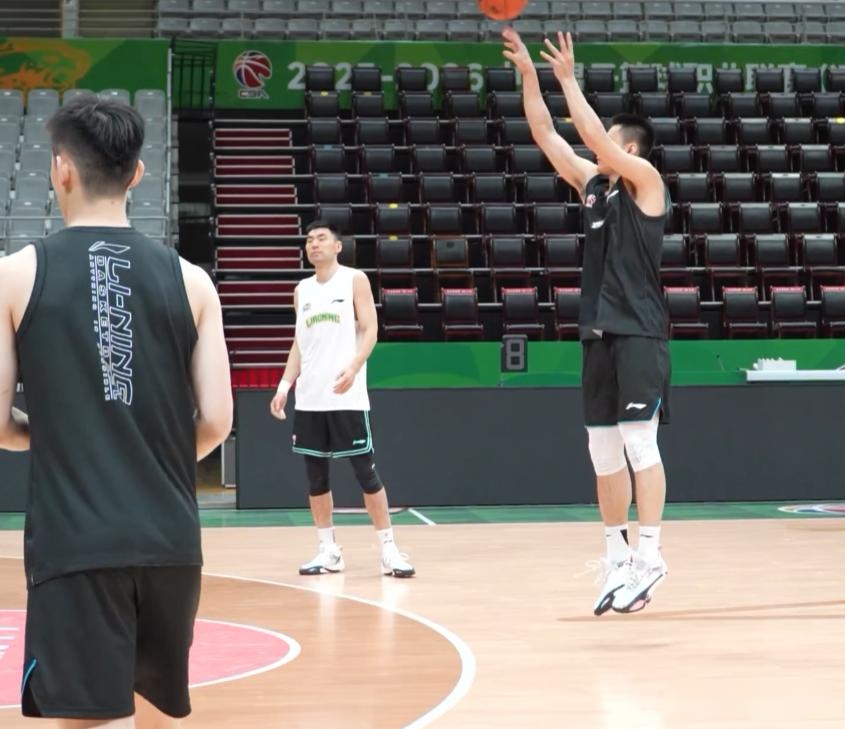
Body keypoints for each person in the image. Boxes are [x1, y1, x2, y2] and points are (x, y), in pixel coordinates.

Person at [0, 95, 233, 727]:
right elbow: (217, 420)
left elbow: (1, 424)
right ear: (136, 174)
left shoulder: (15, 276)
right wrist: (141, 455)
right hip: (171, 545)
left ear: (61, 169)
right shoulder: (193, 280)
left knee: (92, 720)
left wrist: (64, 440)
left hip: (79, 542)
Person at [503, 28, 671, 615]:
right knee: (602, 451)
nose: (599, 150)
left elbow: (593, 137)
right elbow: (546, 135)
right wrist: (531, 77)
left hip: (640, 331)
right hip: (597, 332)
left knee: (639, 442)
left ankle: (651, 554)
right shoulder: (595, 187)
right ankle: (617, 556)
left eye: (612, 143)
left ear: (632, 149)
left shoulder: (646, 184)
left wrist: (568, 80)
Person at [270, 221, 415, 578]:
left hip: (346, 397)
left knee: (366, 473)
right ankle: (328, 551)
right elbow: (299, 343)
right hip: (310, 400)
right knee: (316, 478)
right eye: (309, 240)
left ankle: (389, 551)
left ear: (337, 246)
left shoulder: (354, 280)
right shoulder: (301, 290)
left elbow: (370, 328)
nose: (313, 244)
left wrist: (354, 366)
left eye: (321, 239)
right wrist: (284, 385)